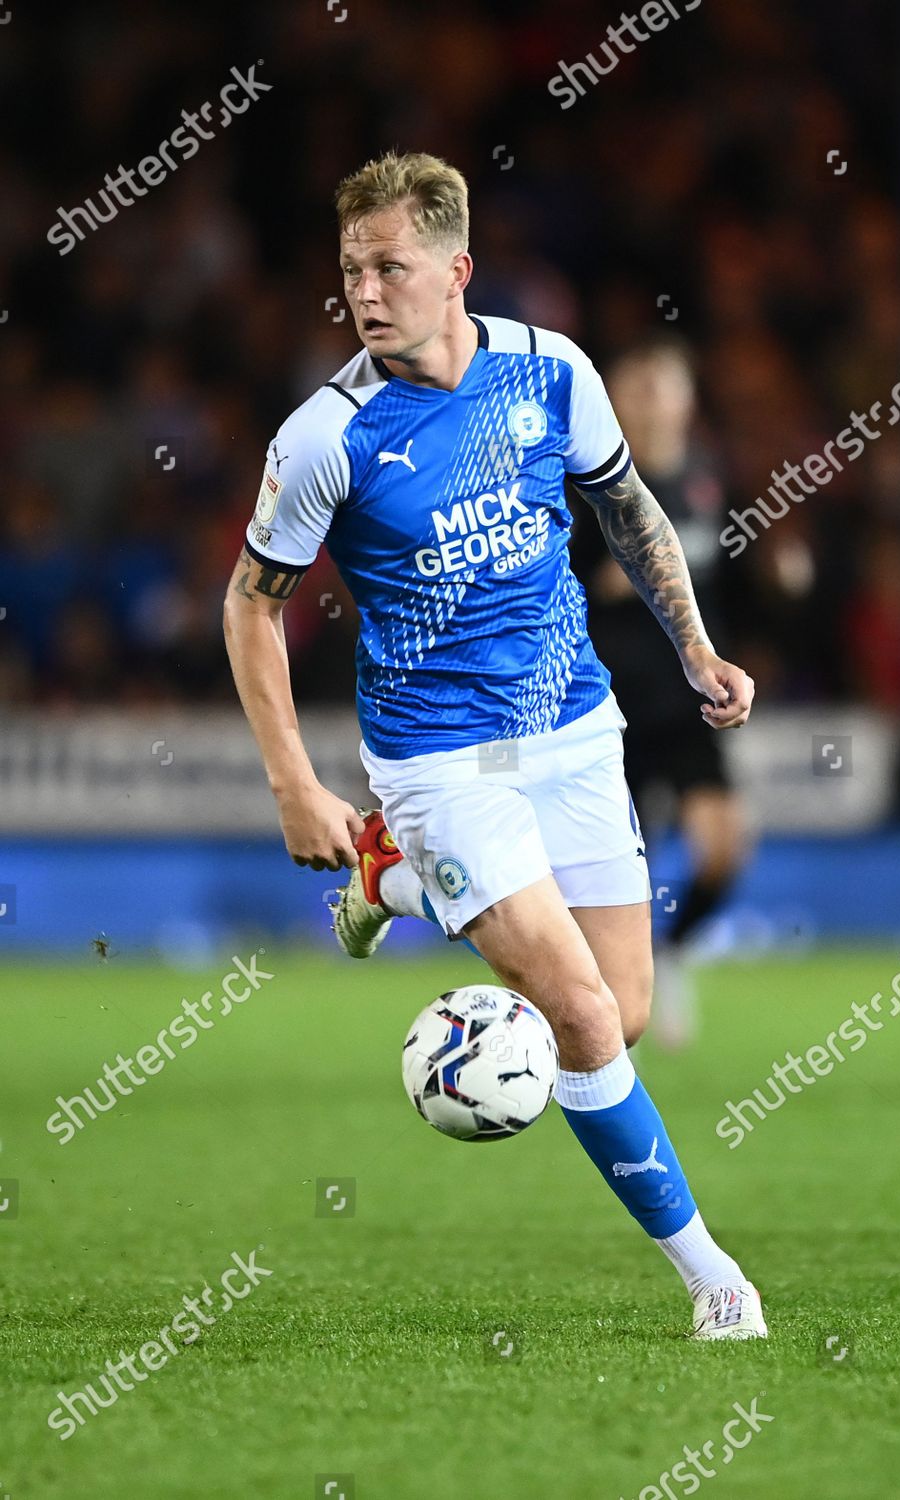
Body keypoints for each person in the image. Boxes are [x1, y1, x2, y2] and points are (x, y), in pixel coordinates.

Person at [223, 150, 765, 1339]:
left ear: (456, 268)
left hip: (574, 729)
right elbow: (251, 604)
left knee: (614, 1019)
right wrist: (291, 781)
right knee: (575, 1012)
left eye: (392, 267)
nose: (366, 293)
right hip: (438, 759)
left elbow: (628, 509)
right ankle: (713, 1277)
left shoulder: (548, 371)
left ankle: (387, 883)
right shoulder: (330, 436)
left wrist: (694, 648)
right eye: (352, 270)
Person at [571, 338, 752, 1048]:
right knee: (619, 872)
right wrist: (603, 582)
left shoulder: (708, 482)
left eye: (662, 387)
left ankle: (673, 951)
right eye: (637, 388)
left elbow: (727, 581)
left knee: (725, 844)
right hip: (611, 706)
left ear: (686, 399)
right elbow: (555, 585)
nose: (649, 402)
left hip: (685, 705)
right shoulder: (589, 485)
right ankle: (603, 1008)